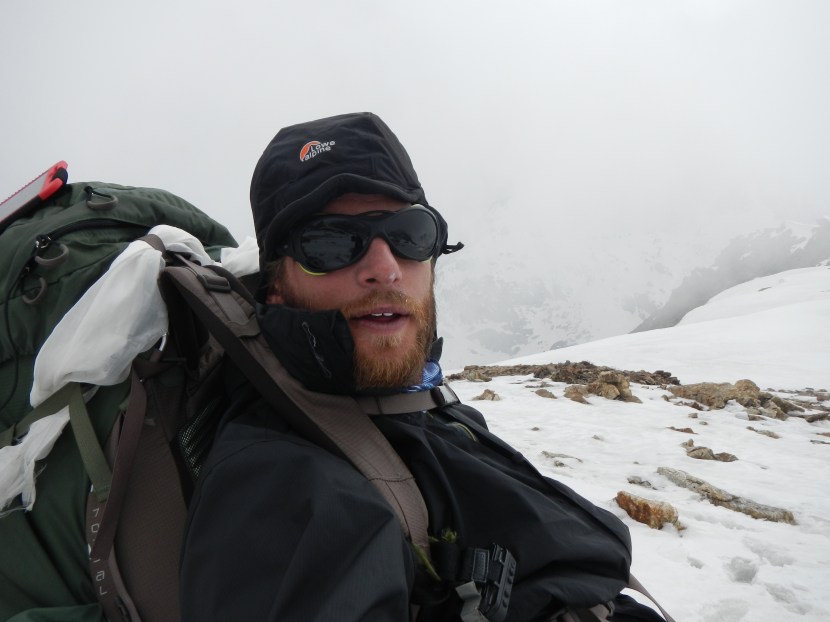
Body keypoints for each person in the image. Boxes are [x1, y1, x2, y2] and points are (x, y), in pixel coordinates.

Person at [180, 112, 664, 621]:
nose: (385, 268)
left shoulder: (405, 400)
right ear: (275, 286)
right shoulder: (284, 491)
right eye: (329, 242)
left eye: (409, 232)